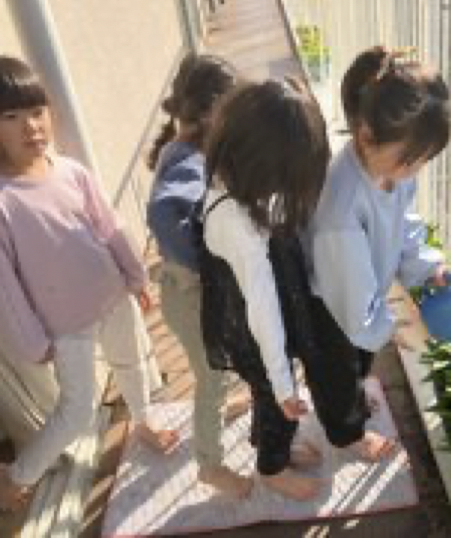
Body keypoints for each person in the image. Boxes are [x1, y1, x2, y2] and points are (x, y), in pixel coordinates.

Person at [0, 55, 179, 513]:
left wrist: (135, 276)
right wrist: (31, 341)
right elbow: (1, 286)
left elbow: (109, 226)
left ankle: (142, 421)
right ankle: (16, 475)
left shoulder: (70, 171)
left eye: (36, 111)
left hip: (113, 296)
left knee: (133, 364)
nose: (31, 126)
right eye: (11, 117)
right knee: (77, 412)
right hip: (64, 326)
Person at [201, 78, 390, 502]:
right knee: (273, 399)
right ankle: (272, 467)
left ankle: (295, 437)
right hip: (250, 317)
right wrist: (283, 383)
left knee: (290, 376)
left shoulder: (239, 175)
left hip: (273, 284)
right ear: (265, 168)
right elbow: (262, 306)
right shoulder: (236, 223)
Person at [302, 46, 450, 415]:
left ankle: (353, 396)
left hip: (363, 297)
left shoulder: (390, 170)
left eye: (425, 160)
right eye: (412, 160)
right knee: (337, 374)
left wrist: (427, 266)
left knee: (359, 362)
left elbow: (404, 222)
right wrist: (390, 328)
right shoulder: (341, 210)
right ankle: (347, 433)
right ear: (367, 136)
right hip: (333, 308)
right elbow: (351, 308)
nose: (417, 171)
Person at [146, 53, 252, 498]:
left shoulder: (182, 148)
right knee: (211, 379)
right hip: (192, 297)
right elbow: (164, 211)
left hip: (188, 292)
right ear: (214, 114)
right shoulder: (190, 161)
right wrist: (203, 261)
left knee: (223, 367)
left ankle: (226, 403)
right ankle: (210, 466)